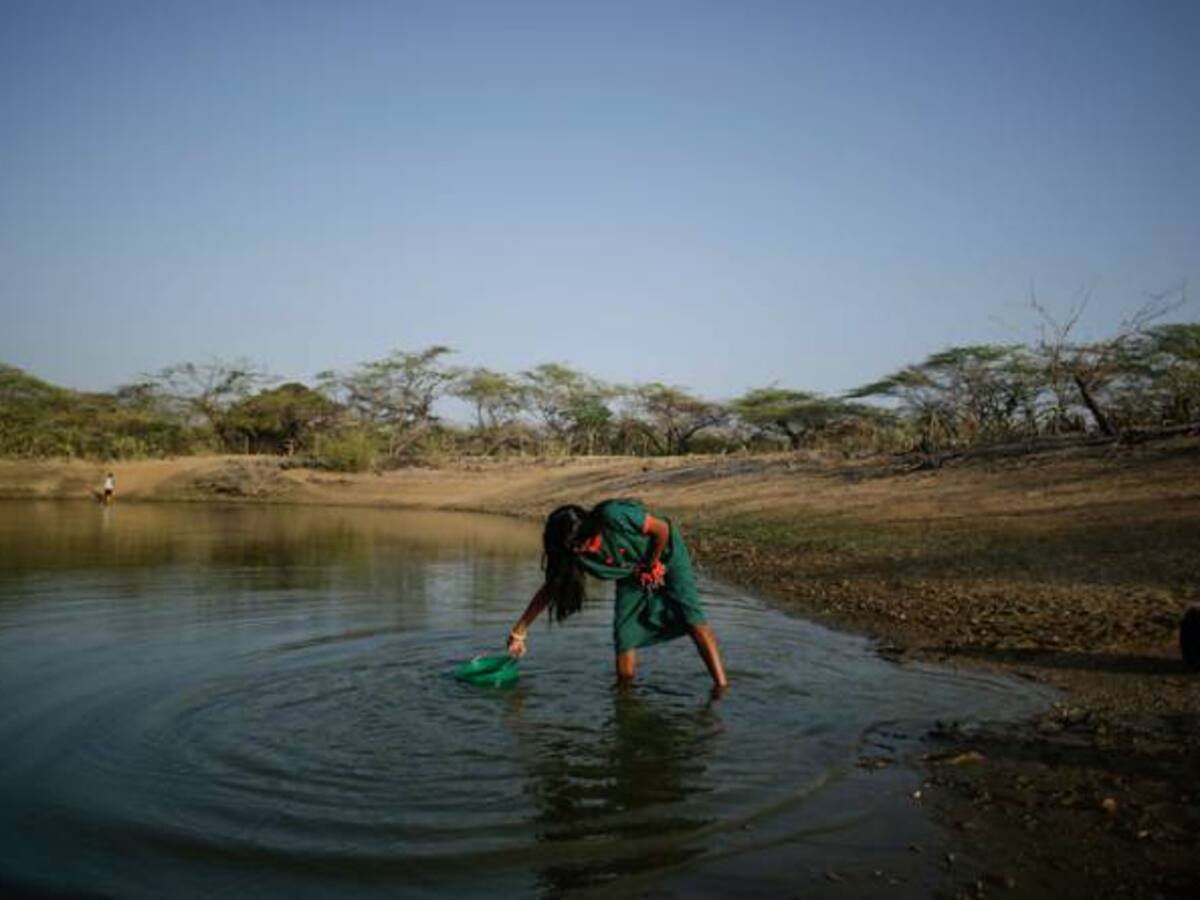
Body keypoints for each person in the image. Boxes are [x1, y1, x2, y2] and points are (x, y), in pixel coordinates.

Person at [507, 499, 729, 691]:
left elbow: (662, 529)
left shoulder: (613, 515)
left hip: (666, 554)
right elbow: (550, 589)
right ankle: (626, 695)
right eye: (580, 549)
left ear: (592, 526)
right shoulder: (574, 551)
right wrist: (519, 631)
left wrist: (652, 564)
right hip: (630, 571)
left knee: (693, 619)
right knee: (624, 636)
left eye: (590, 542)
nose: (590, 551)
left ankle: (721, 687)